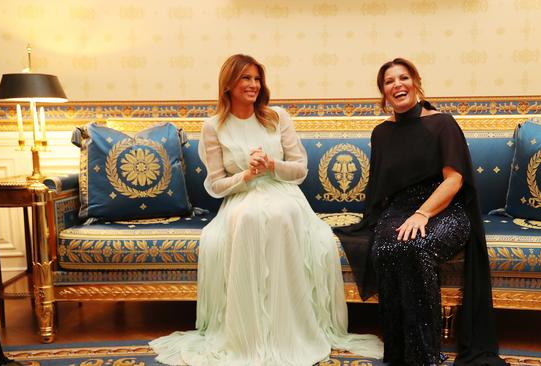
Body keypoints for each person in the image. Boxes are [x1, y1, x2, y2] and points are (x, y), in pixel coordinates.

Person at [150, 54, 382, 365]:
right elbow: (215, 185)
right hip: (241, 197)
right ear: (229, 84)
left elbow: (299, 170)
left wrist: (272, 166)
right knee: (248, 217)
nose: (253, 85)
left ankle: (288, 324)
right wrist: (246, 175)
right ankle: (248, 332)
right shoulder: (213, 126)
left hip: (283, 191)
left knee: (279, 215)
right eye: (246, 78)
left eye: (257, 79)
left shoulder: (277, 117)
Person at [335, 58, 506, 366]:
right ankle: (399, 352)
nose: (397, 84)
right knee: (387, 247)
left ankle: (424, 355)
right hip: (399, 210)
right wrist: (390, 219)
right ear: (383, 92)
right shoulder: (381, 133)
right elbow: (381, 188)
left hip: (443, 208)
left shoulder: (442, 122)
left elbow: (454, 180)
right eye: (389, 81)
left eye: (403, 78)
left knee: (414, 247)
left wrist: (423, 214)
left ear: (415, 82)